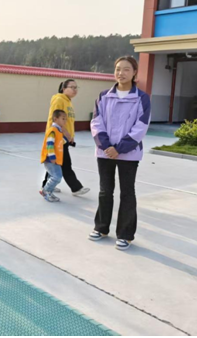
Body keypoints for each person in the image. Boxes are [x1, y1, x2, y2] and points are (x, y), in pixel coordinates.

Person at [89, 56, 151, 251]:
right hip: (105, 152)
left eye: (126, 69)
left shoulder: (141, 98)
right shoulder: (103, 96)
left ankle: (125, 235)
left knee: (127, 192)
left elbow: (141, 126)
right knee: (105, 190)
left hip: (129, 154)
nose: (121, 73)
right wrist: (107, 146)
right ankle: (101, 228)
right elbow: (96, 122)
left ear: (134, 73)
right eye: (118, 69)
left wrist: (120, 148)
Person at [41, 79, 90, 197]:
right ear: (64, 89)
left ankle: (47, 184)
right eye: (71, 87)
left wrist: (70, 136)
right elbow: (55, 120)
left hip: (64, 138)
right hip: (58, 138)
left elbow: (68, 122)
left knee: (57, 163)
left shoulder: (68, 102)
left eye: (76, 87)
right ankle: (76, 188)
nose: (74, 90)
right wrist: (65, 134)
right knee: (66, 164)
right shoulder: (59, 100)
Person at [39, 110, 67, 203]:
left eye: (65, 119)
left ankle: (49, 191)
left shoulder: (58, 130)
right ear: (55, 119)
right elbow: (49, 144)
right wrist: (52, 157)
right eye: (63, 119)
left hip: (55, 159)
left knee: (52, 176)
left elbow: (59, 142)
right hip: (50, 159)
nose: (65, 121)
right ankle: (46, 191)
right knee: (57, 177)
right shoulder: (53, 130)